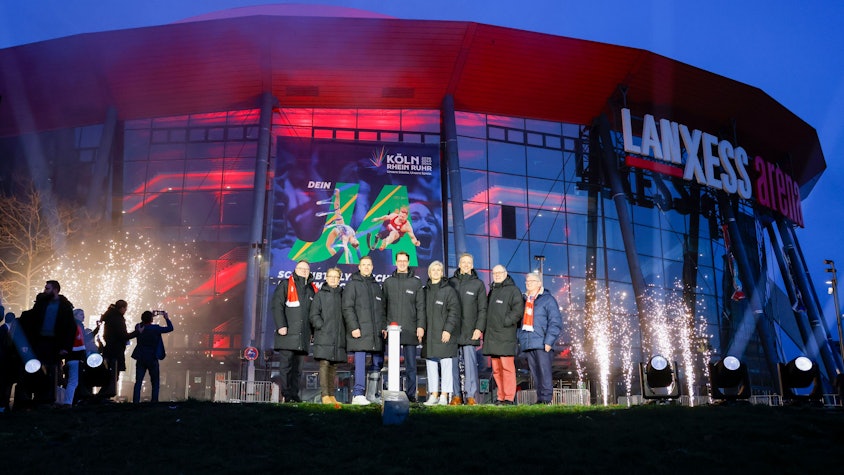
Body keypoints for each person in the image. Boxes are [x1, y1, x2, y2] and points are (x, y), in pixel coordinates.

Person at [17, 280, 77, 406]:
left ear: (55, 290)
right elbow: (32, 321)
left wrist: (65, 347)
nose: (44, 290)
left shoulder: (65, 307)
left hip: (54, 344)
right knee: (36, 369)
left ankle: (46, 399)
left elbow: (70, 329)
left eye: (47, 288)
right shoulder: (42, 303)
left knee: (52, 371)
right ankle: (35, 397)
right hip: (40, 342)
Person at [271, 260, 318, 403]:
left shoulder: (312, 289)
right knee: (286, 366)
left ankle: (295, 394)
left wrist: (313, 333)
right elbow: (276, 306)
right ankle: (287, 394)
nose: (304, 271)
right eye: (301, 268)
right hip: (287, 334)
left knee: (298, 369)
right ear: (295, 269)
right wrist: (281, 326)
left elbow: (313, 314)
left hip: (302, 336)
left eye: (307, 269)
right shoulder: (285, 285)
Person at [381, 250, 425, 402]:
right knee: (392, 365)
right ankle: (393, 391)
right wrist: (384, 326)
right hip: (392, 332)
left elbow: (421, 306)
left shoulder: (416, 282)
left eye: (404, 261)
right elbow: (383, 307)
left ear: (408, 262)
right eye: (399, 261)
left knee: (411, 365)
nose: (401, 263)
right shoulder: (388, 283)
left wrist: (420, 326)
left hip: (410, 329)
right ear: (395, 262)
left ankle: (411, 394)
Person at [342, 255, 386, 405]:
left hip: (376, 334)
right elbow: (347, 308)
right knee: (360, 362)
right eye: (364, 265)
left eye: (369, 265)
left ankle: (372, 394)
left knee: (377, 363)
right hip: (359, 332)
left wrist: (383, 327)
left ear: (372, 267)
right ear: (359, 267)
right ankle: (358, 393)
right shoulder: (352, 284)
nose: (366, 267)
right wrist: (354, 327)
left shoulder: (376, 286)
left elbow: (381, 310)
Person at [448, 252, 488, 405]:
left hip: (471, 331)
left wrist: (479, 328)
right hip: (453, 331)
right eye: (463, 262)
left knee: (471, 365)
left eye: (468, 262)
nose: (465, 265)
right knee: (453, 364)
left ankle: (470, 395)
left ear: (472, 265)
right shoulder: (451, 282)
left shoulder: (478, 284)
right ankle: (456, 395)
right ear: (459, 264)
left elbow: (482, 309)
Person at [518, 271, 563, 405]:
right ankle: (540, 398)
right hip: (529, 342)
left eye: (532, 281)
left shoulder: (548, 299)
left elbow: (555, 322)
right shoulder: (524, 300)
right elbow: (520, 323)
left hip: (543, 342)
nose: (528, 284)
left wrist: (549, 341)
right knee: (535, 373)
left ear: (539, 283)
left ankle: (547, 398)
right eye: (527, 281)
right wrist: (520, 339)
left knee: (545, 372)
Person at [421, 260, 460, 405]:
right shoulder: (425, 291)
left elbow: (454, 312)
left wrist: (448, 330)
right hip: (429, 335)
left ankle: (444, 395)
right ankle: (433, 395)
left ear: (442, 273)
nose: (436, 272)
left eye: (439, 270)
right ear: (429, 273)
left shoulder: (449, 290)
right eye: (433, 270)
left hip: (444, 333)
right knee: (431, 365)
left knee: (446, 364)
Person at [484, 265, 524, 405]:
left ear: (506, 274)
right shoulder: (493, 290)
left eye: (500, 272)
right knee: (496, 369)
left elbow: (518, 311)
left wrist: (505, 322)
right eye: (495, 273)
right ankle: (501, 397)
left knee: (507, 368)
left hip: (506, 335)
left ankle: (508, 397)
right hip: (493, 336)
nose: (497, 275)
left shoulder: (513, 290)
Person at [309, 267, 346, 404]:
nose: (333, 279)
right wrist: (322, 326)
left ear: (339, 279)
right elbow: (314, 314)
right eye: (331, 276)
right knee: (324, 363)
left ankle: (331, 395)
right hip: (324, 334)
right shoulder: (320, 295)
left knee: (334, 366)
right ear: (326, 277)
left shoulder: (343, 294)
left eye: (336, 277)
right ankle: (325, 395)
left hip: (338, 336)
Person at [129, 310, 173, 403]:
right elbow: (170, 328)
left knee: (138, 381)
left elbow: (141, 324)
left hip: (141, 357)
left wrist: (147, 317)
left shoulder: (139, 327)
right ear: (151, 319)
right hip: (152, 357)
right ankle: (154, 401)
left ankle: (135, 401)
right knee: (155, 381)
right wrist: (166, 318)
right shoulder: (156, 328)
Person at [94, 299, 130, 400]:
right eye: (125, 309)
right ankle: (103, 395)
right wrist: (137, 332)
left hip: (108, 350)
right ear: (122, 308)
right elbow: (123, 335)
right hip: (116, 351)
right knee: (114, 375)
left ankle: (103, 395)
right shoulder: (118, 319)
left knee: (109, 374)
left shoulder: (109, 317)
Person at [61, 308, 87, 406]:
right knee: (73, 382)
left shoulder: (71, 325)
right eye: (81, 314)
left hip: (70, 357)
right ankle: (68, 402)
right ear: (75, 315)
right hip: (75, 357)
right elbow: (82, 340)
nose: (83, 316)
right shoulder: (77, 326)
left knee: (72, 381)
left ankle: (72, 401)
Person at [0, 310, 17, 413]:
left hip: (6, 362)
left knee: (6, 383)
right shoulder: (3, 330)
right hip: (4, 362)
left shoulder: (4, 329)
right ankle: (3, 404)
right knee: (4, 383)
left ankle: (5, 404)